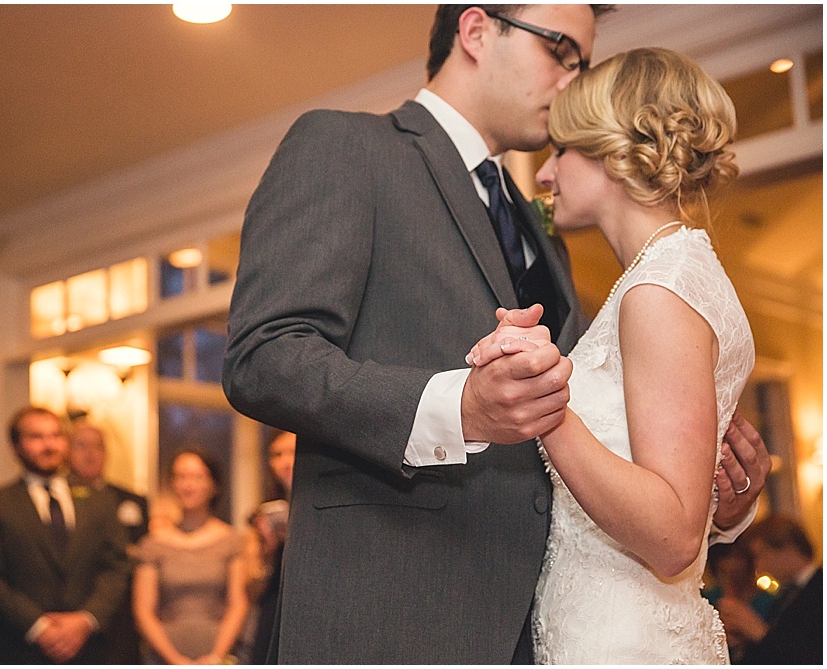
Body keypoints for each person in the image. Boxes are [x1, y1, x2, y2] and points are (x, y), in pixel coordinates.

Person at [221, 5, 769, 664]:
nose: (573, 80)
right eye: (560, 51)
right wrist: (461, 407)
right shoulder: (346, 146)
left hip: (542, 635)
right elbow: (264, 354)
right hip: (394, 622)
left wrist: (722, 505)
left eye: (584, 65)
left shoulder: (543, 232)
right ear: (477, 31)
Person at [466, 45, 753, 663]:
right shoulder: (670, 274)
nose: (545, 173)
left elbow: (673, 534)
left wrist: (544, 402)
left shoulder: (658, 289)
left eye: (562, 149)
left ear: (617, 153)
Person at [0, 406, 130, 664]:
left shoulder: (100, 500)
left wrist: (86, 619)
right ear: (16, 446)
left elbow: (116, 566)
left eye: (56, 436)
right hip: (21, 647)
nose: (49, 445)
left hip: (92, 648)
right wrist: (38, 626)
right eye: (36, 437)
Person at [132, 448, 249, 664]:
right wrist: (176, 661)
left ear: (213, 485)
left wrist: (215, 657)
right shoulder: (153, 544)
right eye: (180, 476)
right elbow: (144, 611)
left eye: (197, 477)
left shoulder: (231, 540)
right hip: (162, 657)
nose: (188, 485)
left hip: (220, 656)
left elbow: (238, 604)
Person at [67, 417, 149, 664]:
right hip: (74, 609)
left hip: (122, 617)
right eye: (81, 445)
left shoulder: (132, 500)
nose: (91, 454)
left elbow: (140, 552)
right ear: (67, 451)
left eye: (98, 446)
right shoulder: (57, 499)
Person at [718, 515, 822, 665]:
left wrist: (759, 631)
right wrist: (738, 643)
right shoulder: (785, 594)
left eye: (761, 554)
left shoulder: (819, 587)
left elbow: (814, 657)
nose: (760, 566)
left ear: (788, 548)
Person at [244, 430, 295, 664]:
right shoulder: (261, 516)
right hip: (274, 611)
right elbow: (251, 592)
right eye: (277, 454)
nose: (284, 462)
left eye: (292, 453)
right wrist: (267, 550)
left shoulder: (324, 513)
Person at [704, 541, 776, 661]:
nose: (731, 565)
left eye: (737, 558)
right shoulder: (708, 600)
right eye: (724, 572)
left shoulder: (770, 602)